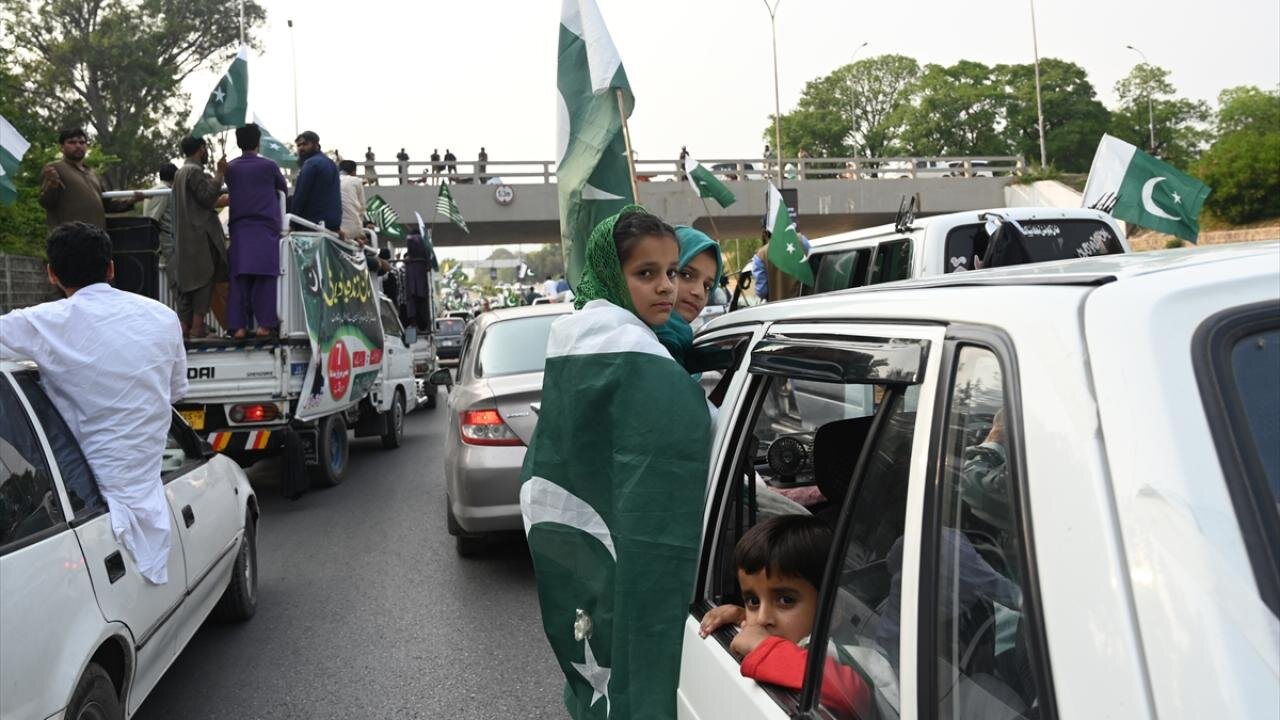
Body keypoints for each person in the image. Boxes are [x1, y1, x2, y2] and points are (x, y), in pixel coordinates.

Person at [520, 206, 711, 718]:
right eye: (646, 273)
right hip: (624, 538)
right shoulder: (618, 341)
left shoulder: (608, 337)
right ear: (610, 273)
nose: (667, 287)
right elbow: (696, 429)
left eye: (672, 271)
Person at [0, 222, 187, 585]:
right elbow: (175, 391)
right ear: (111, 268)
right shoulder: (164, 317)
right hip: (144, 492)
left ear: (52, 274)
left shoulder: (44, 323)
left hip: (83, 495)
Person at [699, 515, 872, 719]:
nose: (762, 619)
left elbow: (851, 694)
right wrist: (742, 617)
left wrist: (766, 648)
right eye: (753, 601)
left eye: (785, 600)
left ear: (832, 610)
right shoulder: (786, 630)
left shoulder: (854, 658)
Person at [224, 124, 289, 338]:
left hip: (239, 228)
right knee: (266, 277)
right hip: (265, 228)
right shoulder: (269, 166)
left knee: (239, 278)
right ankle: (264, 325)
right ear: (258, 142)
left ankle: (238, 327)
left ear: (238, 143)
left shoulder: (231, 168)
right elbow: (283, 189)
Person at [172, 135, 229, 338]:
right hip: (200, 238)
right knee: (204, 282)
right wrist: (220, 173)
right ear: (202, 149)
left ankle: (184, 327)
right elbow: (207, 197)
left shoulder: (180, 173)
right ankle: (197, 328)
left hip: (184, 237)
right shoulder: (194, 172)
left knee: (187, 286)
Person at [39, 127, 143, 230]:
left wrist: (131, 201)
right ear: (61, 147)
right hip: (69, 236)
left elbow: (106, 206)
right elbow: (46, 202)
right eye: (72, 142)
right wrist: (52, 185)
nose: (78, 146)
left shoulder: (92, 173)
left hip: (96, 235)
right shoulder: (54, 168)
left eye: (82, 142)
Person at [655, 225, 723, 367]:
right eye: (686, 275)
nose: (699, 292)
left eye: (707, 286)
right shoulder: (637, 344)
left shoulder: (684, 348)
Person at [291, 131, 342, 232]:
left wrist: (292, 222)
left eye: (305, 144)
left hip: (312, 224)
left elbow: (301, 195)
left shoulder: (311, 163)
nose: (301, 148)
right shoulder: (331, 163)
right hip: (331, 224)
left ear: (316, 145)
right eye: (299, 145)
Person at [142, 162, 178, 298]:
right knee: (175, 279)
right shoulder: (164, 191)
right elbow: (154, 218)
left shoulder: (154, 189)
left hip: (160, 239)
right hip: (166, 240)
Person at [403, 230, 435, 332]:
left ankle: (415, 324)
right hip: (421, 274)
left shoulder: (411, 239)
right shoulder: (424, 242)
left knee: (412, 300)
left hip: (412, 274)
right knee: (422, 300)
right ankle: (423, 325)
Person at [338, 160, 367, 241]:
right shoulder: (356, 181)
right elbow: (362, 207)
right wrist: (361, 233)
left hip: (332, 228)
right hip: (351, 230)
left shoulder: (332, 180)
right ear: (354, 171)